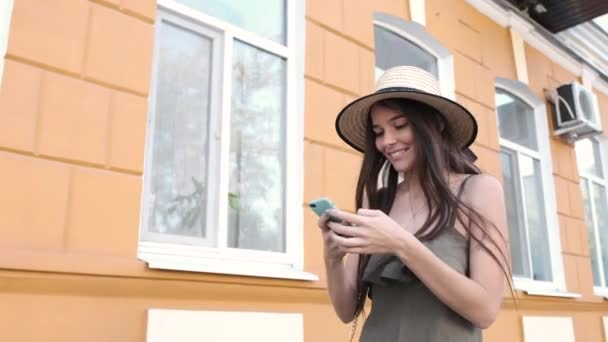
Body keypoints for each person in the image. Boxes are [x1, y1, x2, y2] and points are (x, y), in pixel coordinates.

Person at [317, 66, 511, 342]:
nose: (387, 141)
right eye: (379, 131)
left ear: (436, 124)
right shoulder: (377, 200)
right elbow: (347, 310)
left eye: (399, 126)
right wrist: (333, 258)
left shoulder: (478, 190)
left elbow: (485, 311)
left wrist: (402, 245)